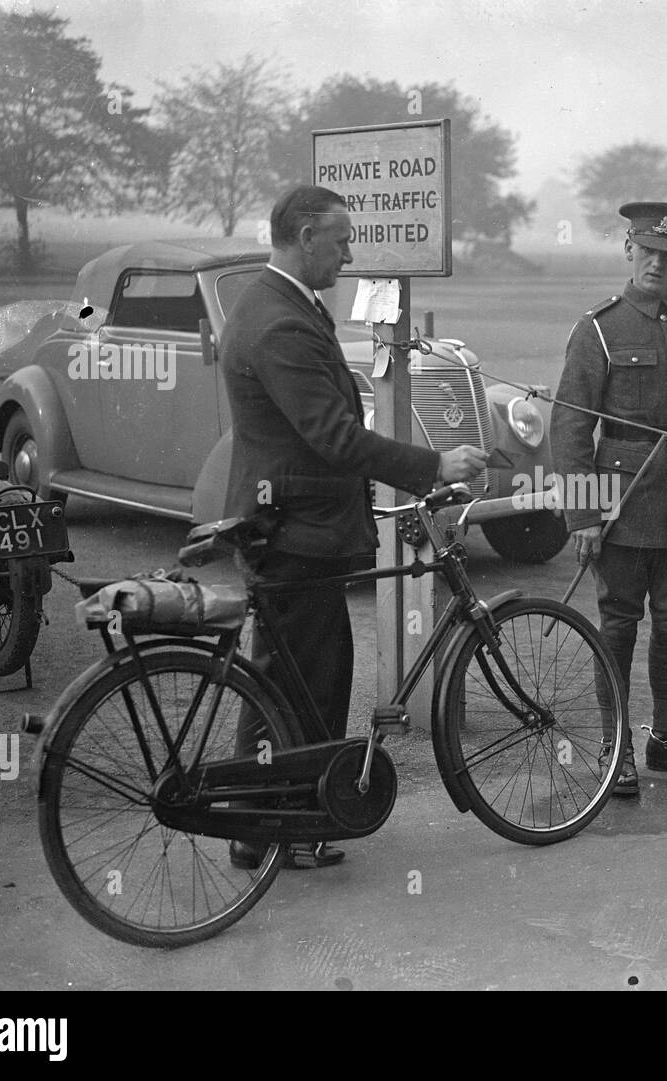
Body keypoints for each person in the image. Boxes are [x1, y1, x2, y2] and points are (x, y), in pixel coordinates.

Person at [222, 185, 486, 867]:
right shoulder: (279, 321)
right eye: (339, 239)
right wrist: (433, 464)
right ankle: (264, 825)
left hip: (295, 525)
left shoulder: (282, 303)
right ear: (305, 236)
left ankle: (277, 823)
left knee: (296, 678)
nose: (349, 252)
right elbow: (335, 436)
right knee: (294, 681)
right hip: (295, 531)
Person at [550, 200, 667, 799]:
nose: (659, 263)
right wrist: (582, 516)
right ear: (629, 249)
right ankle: (616, 746)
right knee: (620, 624)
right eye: (649, 251)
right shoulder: (598, 328)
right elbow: (570, 430)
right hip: (621, 502)